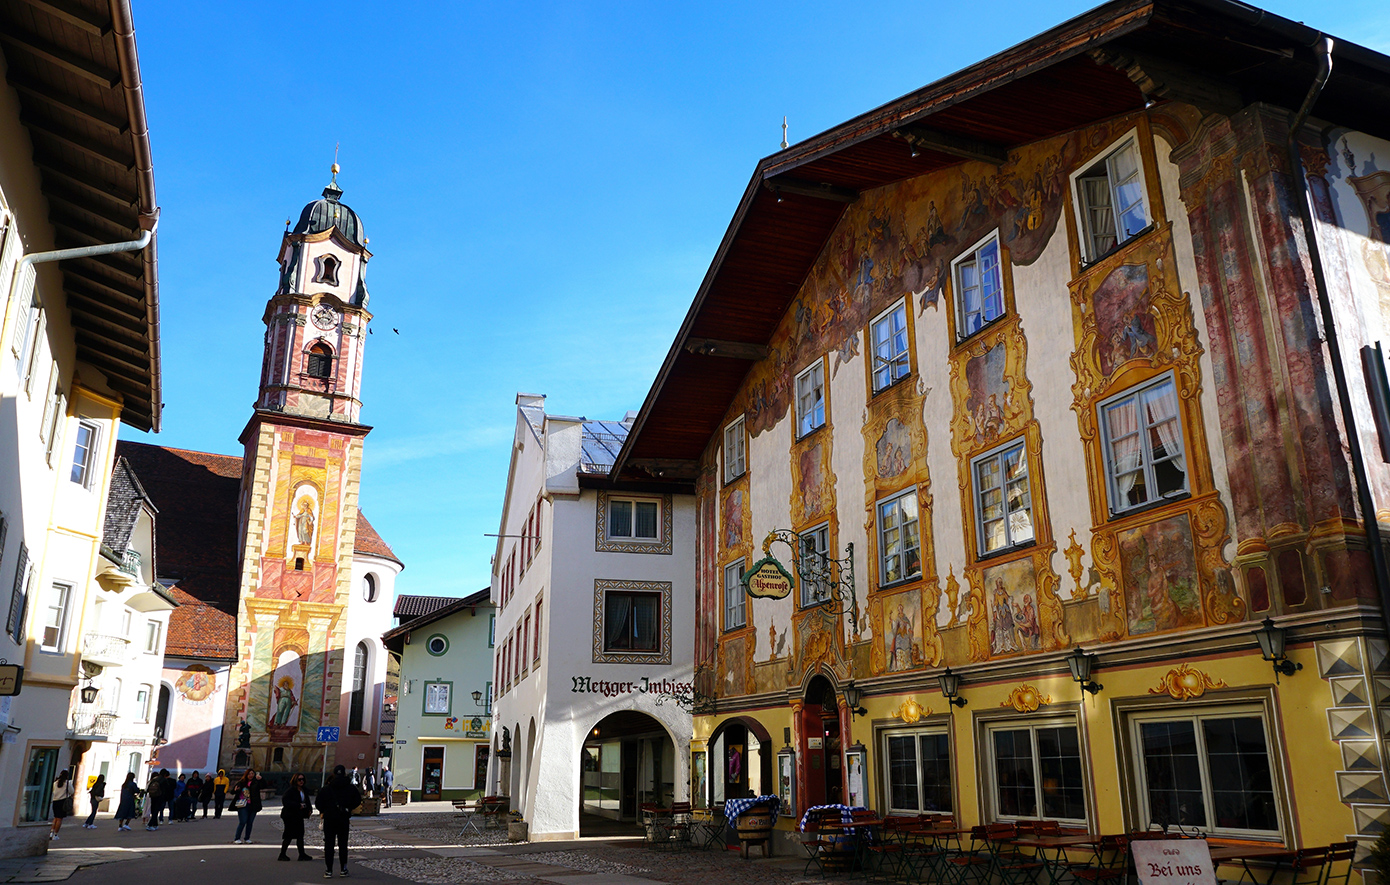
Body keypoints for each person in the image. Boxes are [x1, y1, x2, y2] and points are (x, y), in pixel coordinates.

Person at [315, 764, 361, 878]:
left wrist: (325, 809)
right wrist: (348, 808)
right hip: (343, 818)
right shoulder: (350, 787)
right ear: (344, 773)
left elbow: (318, 803)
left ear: (334, 774)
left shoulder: (327, 788)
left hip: (330, 818)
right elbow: (358, 800)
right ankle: (343, 869)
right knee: (343, 844)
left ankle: (329, 870)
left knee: (329, 845)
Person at [278, 774, 314, 862]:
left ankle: (302, 854)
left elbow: (307, 801)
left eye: (302, 779)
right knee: (289, 835)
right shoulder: (291, 790)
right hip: (290, 815)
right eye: (299, 779)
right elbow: (285, 801)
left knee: (300, 834)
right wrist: (297, 805)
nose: (301, 781)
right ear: (295, 780)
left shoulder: (303, 790)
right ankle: (282, 854)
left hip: (298, 815)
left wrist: (309, 809)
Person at [230, 768, 263, 843]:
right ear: (246, 775)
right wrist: (235, 790)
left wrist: (260, 779)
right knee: (243, 821)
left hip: (253, 805)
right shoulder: (241, 782)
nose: (251, 775)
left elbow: (263, 786)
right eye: (249, 774)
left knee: (250, 822)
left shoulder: (256, 782)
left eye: (252, 774)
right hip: (243, 805)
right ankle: (237, 838)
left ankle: (247, 838)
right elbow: (232, 791)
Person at [50, 770, 74, 840]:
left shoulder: (55, 783)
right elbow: (72, 791)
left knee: (55, 818)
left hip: (55, 801)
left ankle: (51, 832)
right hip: (62, 802)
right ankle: (56, 834)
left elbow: (53, 791)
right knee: (59, 819)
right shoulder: (67, 783)